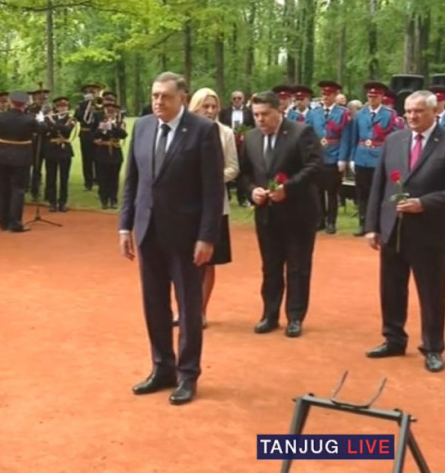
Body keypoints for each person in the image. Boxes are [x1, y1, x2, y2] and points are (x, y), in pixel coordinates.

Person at [118, 72, 225, 405]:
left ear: (182, 98)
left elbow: (213, 190)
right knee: (154, 304)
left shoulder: (203, 131)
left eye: (165, 96)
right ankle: (162, 367)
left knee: (188, 308)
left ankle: (187, 374)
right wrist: (125, 227)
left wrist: (207, 237)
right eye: (155, 95)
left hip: (187, 237)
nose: (158, 101)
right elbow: (132, 181)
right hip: (148, 231)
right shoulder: (143, 127)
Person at [364, 90, 445, 373]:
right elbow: (379, 185)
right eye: (408, 111)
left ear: (434, 111)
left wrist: (424, 203)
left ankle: (432, 347)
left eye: (418, 111)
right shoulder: (394, 140)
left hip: (431, 232)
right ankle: (393, 339)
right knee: (391, 289)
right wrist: (372, 226)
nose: (412, 116)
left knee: (431, 293)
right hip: (393, 229)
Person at [238, 91, 322, 338]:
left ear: (279, 110)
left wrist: (288, 188)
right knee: (270, 267)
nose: (260, 119)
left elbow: (315, 167)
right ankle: (270, 315)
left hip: (299, 213)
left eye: (265, 114)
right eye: (256, 115)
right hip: (266, 215)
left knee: (297, 267)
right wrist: (252, 191)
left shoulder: (301, 133)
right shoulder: (251, 138)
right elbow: (245, 173)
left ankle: (295, 317)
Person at [171, 87, 239, 328]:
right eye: (205, 106)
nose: (210, 111)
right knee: (182, 262)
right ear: (194, 107)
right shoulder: (181, 131)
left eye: (214, 106)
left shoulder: (225, 133)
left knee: (208, 262)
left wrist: (210, 179)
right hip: (184, 207)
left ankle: (200, 312)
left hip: (215, 207)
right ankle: (183, 310)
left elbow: (233, 168)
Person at [343, 81, 401, 236]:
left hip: (380, 157)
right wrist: (352, 158)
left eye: (375, 96)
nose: (372, 99)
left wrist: (391, 157)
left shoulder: (390, 115)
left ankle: (379, 224)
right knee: (362, 193)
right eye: (369, 96)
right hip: (361, 157)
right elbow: (354, 137)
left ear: (381, 97)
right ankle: (363, 223)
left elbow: (395, 138)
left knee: (380, 192)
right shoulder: (360, 114)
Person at [306, 81, 352, 234]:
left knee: (332, 192)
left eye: (328, 94)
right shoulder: (314, 113)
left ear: (334, 96)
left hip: (334, 155)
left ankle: (331, 221)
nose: (325, 97)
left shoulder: (343, 113)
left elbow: (345, 137)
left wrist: (342, 158)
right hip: (318, 156)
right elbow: (309, 135)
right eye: (323, 94)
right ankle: (320, 220)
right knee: (318, 191)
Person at [0, 91, 40, 232]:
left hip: (1, 155)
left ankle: (3, 223)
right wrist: (41, 120)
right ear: (25, 104)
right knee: (18, 190)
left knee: (2, 189)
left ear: (11, 102)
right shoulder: (29, 119)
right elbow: (42, 129)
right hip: (21, 157)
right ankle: (15, 223)